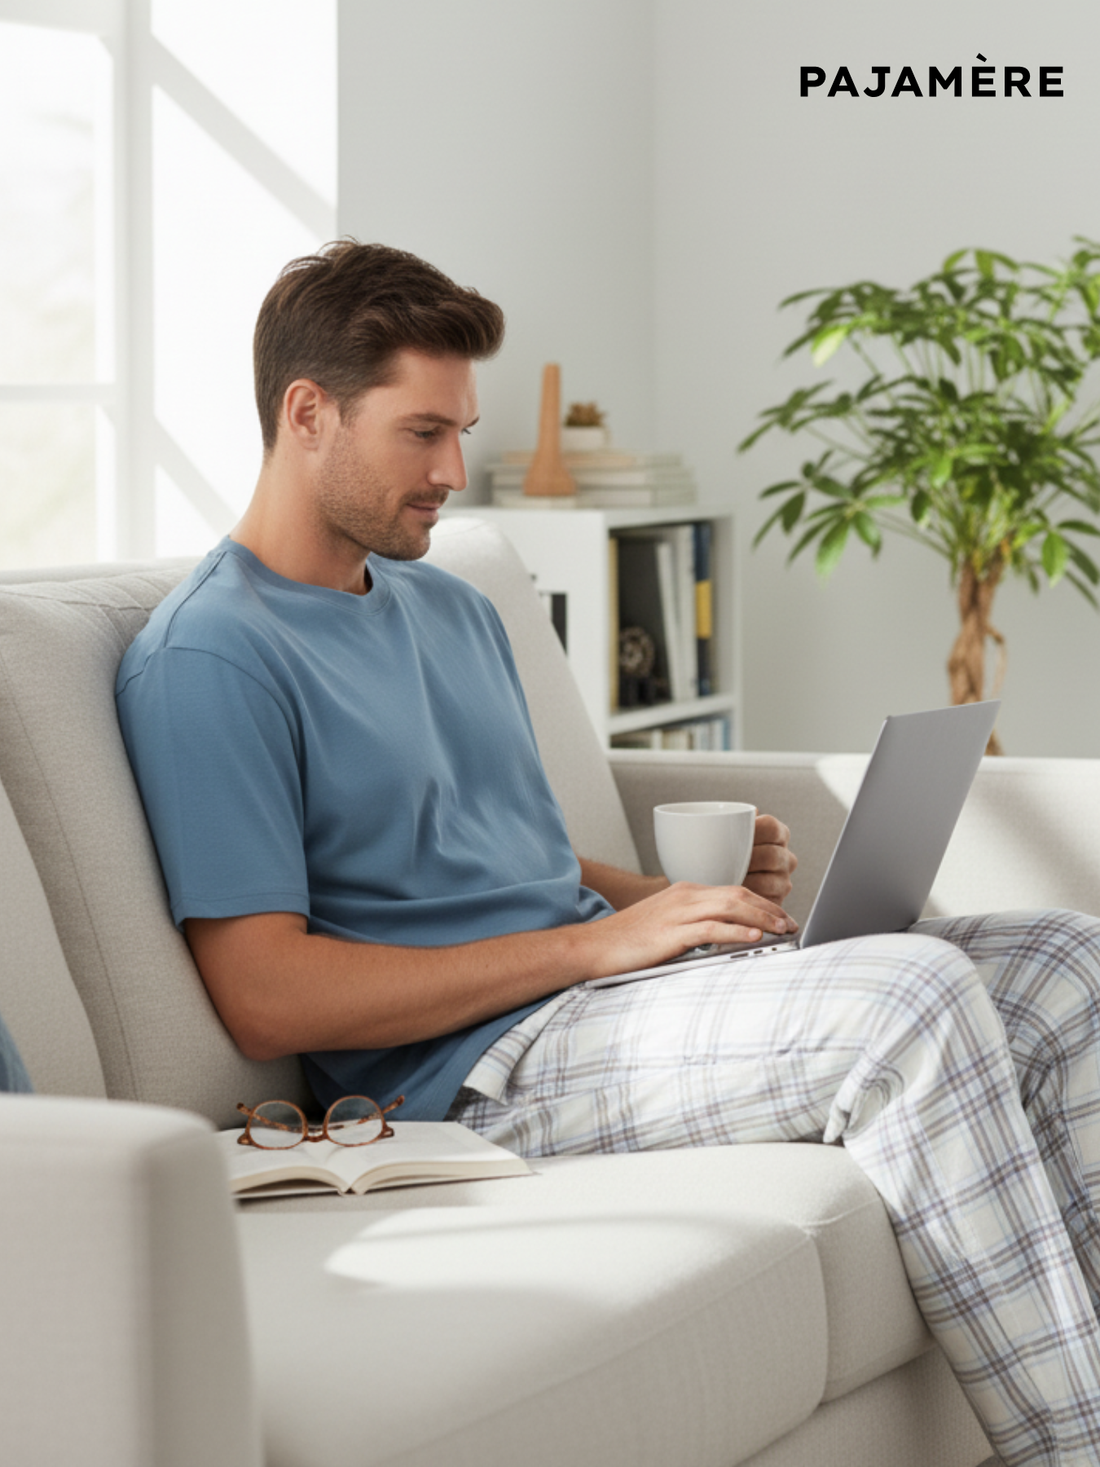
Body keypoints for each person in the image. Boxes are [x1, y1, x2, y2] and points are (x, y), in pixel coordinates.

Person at [118, 240, 1100, 1467]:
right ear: (305, 414)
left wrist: (681, 902)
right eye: (422, 434)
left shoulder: (448, 605)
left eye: (458, 433)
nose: (452, 473)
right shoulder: (211, 659)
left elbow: (523, 860)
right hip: (467, 1074)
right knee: (908, 1000)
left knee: (1065, 958)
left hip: (607, 995)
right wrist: (601, 942)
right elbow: (264, 995)